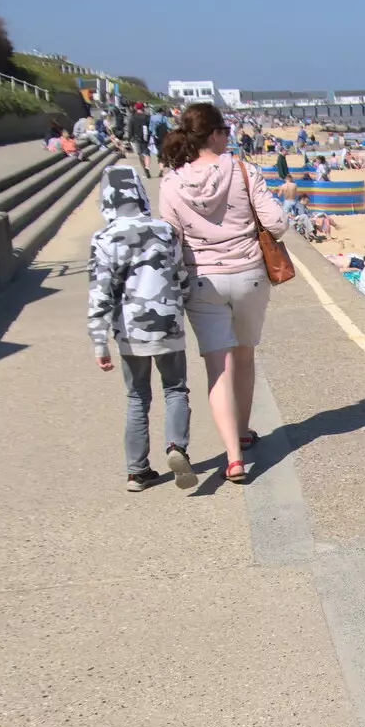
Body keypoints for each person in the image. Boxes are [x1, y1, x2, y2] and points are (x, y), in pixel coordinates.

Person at [158, 102, 287, 486]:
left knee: (217, 368)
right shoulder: (243, 170)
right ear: (214, 134)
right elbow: (277, 222)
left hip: (202, 281)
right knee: (244, 356)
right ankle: (245, 430)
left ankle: (233, 458)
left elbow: (170, 238)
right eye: (225, 131)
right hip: (248, 275)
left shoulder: (170, 183)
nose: (228, 137)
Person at [86, 164, 197, 493]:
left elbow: (100, 292)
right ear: (138, 192)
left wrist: (98, 342)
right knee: (175, 390)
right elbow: (180, 276)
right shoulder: (163, 230)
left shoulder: (103, 239)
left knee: (137, 397)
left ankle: (137, 471)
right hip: (167, 323)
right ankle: (176, 448)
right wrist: (184, 302)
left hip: (130, 330)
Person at [125, 103, 152, 177]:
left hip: (137, 138)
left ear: (136, 108)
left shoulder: (132, 117)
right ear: (143, 108)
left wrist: (129, 138)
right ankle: (147, 167)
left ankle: (144, 169)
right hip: (146, 138)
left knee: (140, 154)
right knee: (147, 154)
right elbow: (151, 128)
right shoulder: (147, 117)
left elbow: (130, 129)